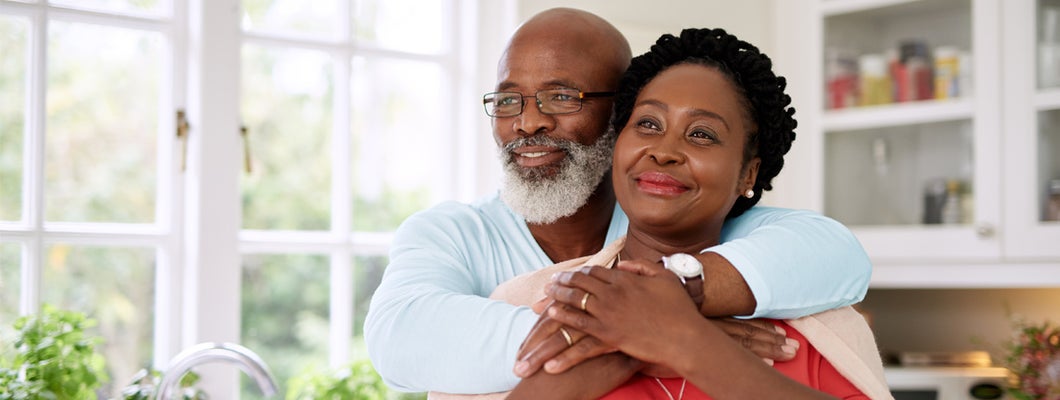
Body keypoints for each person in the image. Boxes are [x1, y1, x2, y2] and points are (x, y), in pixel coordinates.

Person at [363, 7, 871, 395]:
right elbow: (399, 335)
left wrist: (666, 313)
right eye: (508, 100)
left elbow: (836, 254)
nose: (528, 121)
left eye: (562, 97)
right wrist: (641, 336)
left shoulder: (673, 217)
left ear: (619, 116)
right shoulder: (452, 233)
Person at [498, 27, 890, 399]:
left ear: (748, 173)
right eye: (648, 124)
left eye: (702, 134)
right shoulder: (535, 302)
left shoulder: (820, 327)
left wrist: (686, 344)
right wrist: (622, 349)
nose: (664, 150)